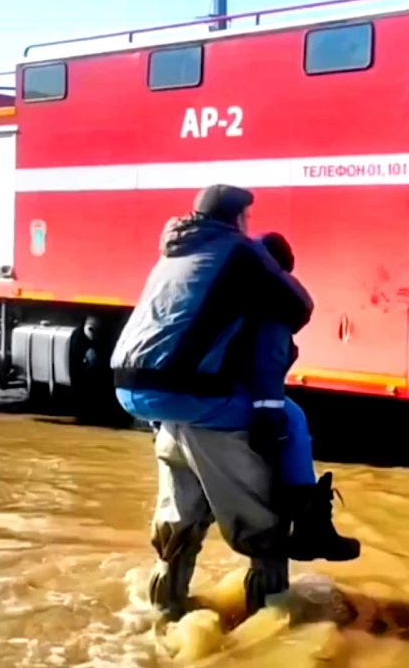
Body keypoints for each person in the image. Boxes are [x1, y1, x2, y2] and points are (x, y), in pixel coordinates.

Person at [110, 184, 316, 621]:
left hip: (140, 394)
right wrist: (267, 415)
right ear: (238, 219)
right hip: (192, 397)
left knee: (178, 525)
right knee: (264, 521)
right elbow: (295, 310)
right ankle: (275, 617)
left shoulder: (174, 252)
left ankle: (159, 616)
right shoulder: (239, 252)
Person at [247, 231, 360, 562]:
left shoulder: (222, 283)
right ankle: (312, 526)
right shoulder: (273, 301)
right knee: (294, 420)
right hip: (225, 392)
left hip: (168, 393)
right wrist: (270, 422)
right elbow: (267, 368)